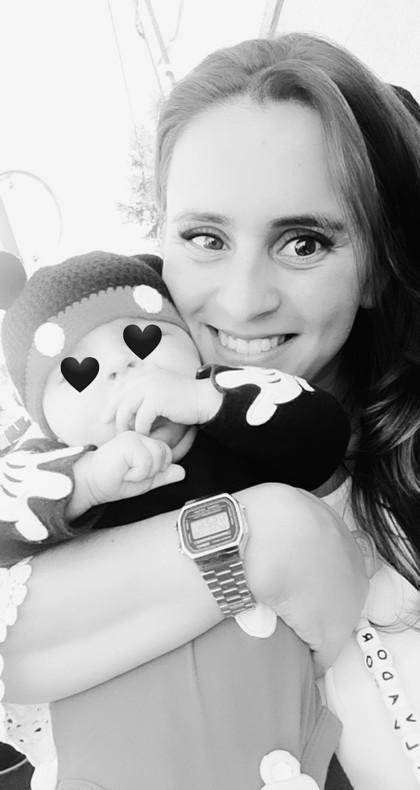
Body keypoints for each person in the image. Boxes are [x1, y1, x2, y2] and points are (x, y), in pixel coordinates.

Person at [1, 29, 419, 789]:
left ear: (378, 265)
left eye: (303, 243)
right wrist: (257, 539)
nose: (243, 300)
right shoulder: (74, 445)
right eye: (204, 237)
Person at [0, 249, 351, 789]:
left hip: (281, 738)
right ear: (45, 419)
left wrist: (206, 399)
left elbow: (322, 436)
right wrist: (85, 483)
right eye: (79, 373)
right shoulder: (51, 469)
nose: (121, 370)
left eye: (143, 340)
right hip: (116, 763)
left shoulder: (230, 421)